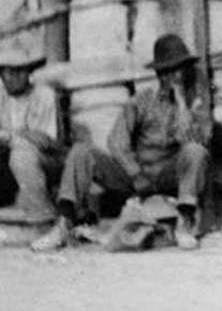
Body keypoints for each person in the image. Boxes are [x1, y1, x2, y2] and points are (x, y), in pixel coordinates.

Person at [32, 34, 209, 251]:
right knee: (81, 152)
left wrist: (181, 103)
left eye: (180, 70)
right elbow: (116, 142)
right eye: (169, 71)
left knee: (195, 151)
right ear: (159, 74)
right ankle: (63, 224)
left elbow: (199, 142)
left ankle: (185, 222)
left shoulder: (196, 102)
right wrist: (136, 174)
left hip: (170, 177)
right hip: (137, 176)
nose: (176, 76)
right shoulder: (142, 101)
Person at [0, 50, 62, 226]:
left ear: (28, 72)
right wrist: (21, 133)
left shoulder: (44, 95)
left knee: (23, 153)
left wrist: (12, 137)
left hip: (46, 159)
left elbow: (46, 141)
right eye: (8, 72)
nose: (13, 77)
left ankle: (41, 217)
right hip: (7, 160)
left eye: (20, 71)